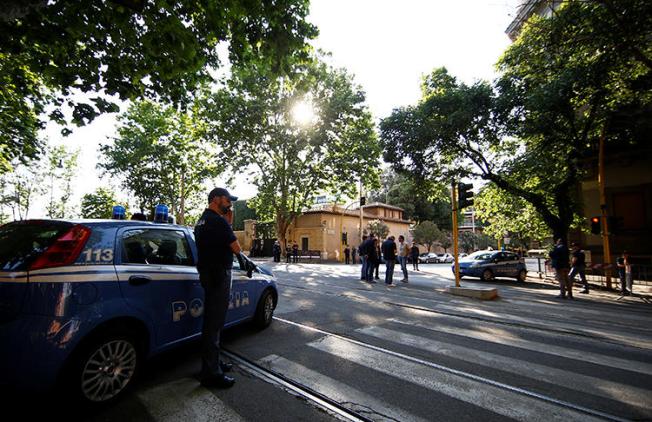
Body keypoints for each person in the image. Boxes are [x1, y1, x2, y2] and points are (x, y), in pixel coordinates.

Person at [195, 187, 252, 389]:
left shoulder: (203, 220)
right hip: (219, 275)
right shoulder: (217, 221)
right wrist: (245, 261)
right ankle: (211, 373)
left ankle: (212, 363)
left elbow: (220, 237)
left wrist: (228, 214)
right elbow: (235, 245)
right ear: (216, 199)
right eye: (228, 200)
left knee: (212, 322)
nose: (230, 204)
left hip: (208, 274)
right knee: (214, 324)